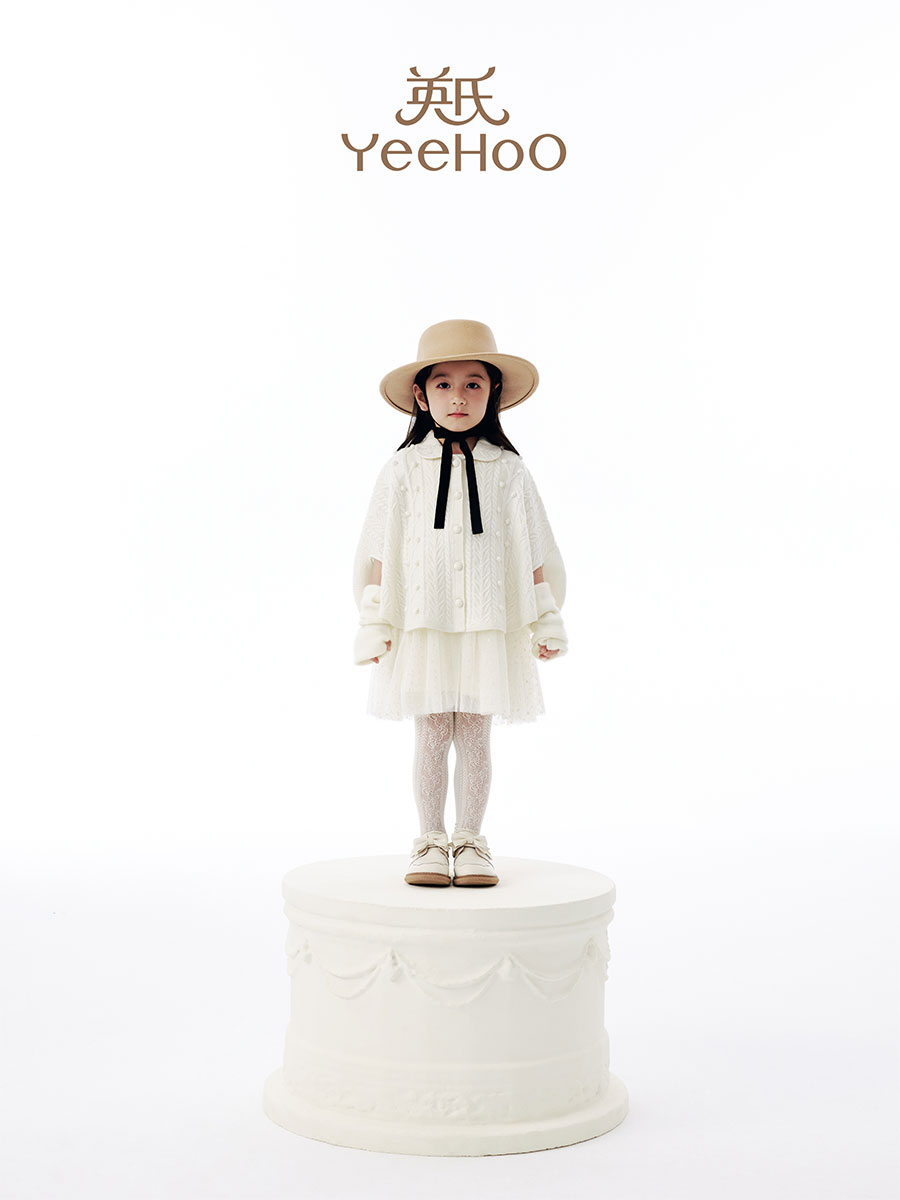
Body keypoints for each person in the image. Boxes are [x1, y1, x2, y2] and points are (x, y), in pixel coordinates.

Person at [352, 320, 568, 889]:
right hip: (424, 623)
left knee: (474, 733)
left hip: (486, 625)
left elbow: (532, 549)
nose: (458, 397)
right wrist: (375, 621)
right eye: (443, 384)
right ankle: (429, 839)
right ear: (421, 395)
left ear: (493, 393)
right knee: (430, 734)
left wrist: (546, 618)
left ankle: (470, 839)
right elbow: (380, 549)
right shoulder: (402, 470)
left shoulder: (510, 471)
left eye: (473, 384)